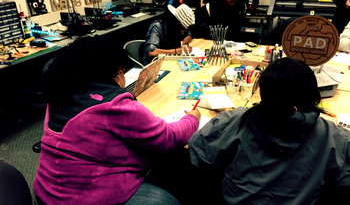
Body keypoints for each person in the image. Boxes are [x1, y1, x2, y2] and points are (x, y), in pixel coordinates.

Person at [33, 35, 201, 205]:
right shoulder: (114, 105)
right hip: (84, 197)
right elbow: (167, 138)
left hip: (45, 191)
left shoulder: (59, 93)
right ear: (115, 71)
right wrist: (192, 119)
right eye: (122, 72)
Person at [188, 57, 350, 204]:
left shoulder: (234, 121)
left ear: (262, 93)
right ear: (314, 95)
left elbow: (198, 151)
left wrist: (231, 116)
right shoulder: (333, 135)